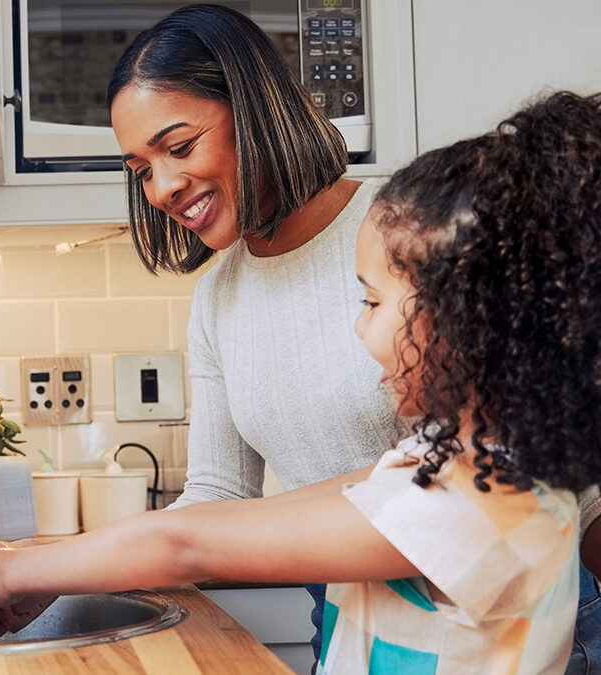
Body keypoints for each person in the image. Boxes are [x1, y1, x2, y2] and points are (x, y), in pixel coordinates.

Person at [0, 89, 601, 673]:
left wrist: (12, 568)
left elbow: (187, 539)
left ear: (465, 314)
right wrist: (61, 566)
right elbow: (239, 514)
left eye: (370, 302)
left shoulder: (477, 500)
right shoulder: (453, 467)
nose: (359, 330)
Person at [105, 4, 601, 669]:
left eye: (179, 145)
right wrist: (88, 567)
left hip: (501, 610)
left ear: (250, 111)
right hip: (355, 610)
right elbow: (217, 500)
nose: (162, 186)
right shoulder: (217, 300)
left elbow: (531, 440)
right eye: (141, 169)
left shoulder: (400, 231)